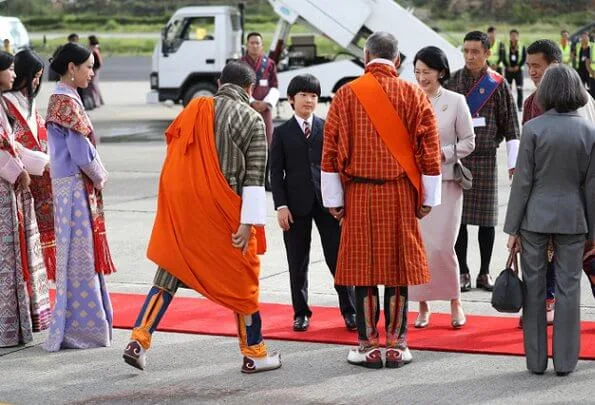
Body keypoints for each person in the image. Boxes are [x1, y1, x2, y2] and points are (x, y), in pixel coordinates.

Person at [122, 61, 281, 374]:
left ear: (220, 82)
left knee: (169, 273)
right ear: (249, 89)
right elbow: (254, 180)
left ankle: (138, 340)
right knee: (242, 280)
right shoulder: (252, 118)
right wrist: (247, 224)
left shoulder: (195, 107)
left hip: (184, 206)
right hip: (224, 211)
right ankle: (254, 352)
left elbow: (174, 153)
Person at [321, 31, 442, 369]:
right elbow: (429, 149)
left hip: (358, 192)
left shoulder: (345, 95)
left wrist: (333, 198)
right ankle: (397, 344)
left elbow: (329, 151)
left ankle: (367, 346)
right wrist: (427, 197)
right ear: (398, 60)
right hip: (400, 192)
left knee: (363, 269)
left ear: (365, 56)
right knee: (397, 269)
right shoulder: (413, 94)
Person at [504, 64, 595, 377]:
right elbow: (592, 186)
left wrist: (512, 228)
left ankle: (536, 360)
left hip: (535, 219)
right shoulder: (590, 132)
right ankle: (566, 362)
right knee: (570, 289)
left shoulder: (533, 128)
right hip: (574, 219)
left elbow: (523, 183)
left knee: (534, 288)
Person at [43, 43, 116, 352]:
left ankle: (80, 325)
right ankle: (83, 330)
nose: (91, 72)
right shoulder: (66, 102)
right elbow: (79, 152)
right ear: (71, 68)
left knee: (75, 257)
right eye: (87, 66)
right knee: (81, 258)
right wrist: (101, 175)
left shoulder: (62, 98)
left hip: (66, 189)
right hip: (75, 188)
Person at [270, 74, 356, 332]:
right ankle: (301, 313)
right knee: (297, 262)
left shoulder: (328, 126)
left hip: (327, 204)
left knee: (338, 259)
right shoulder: (282, 132)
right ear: (291, 100)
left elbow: (339, 165)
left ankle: (350, 310)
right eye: (303, 95)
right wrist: (281, 206)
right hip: (295, 207)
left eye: (314, 96)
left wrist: (340, 202)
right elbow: (275, 173)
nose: (309, 100)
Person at [521, 39, 595, 328]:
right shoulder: (530, 103)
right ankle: (546, 303)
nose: (532, 72)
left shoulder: (583, 102)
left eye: (537, 66)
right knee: (543, 255)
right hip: (542, 193)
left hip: (578, 195)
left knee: (588, 258)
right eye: (529, 67)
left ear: (554, 65)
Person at [446, 31, 520, 293]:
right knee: (460, 220)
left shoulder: (497, 84)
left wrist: (514, 165)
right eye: (466, 51)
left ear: (487, 53)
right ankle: (463, 271)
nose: (470, 56)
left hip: (487, 159)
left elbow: (512, 125)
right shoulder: (452, 81)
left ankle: (484, 272)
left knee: (487, 221)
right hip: (458, 159)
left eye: (475, 51)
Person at [409, 46, 475, 329]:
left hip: (447, 182)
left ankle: (454, 301)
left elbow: (469, 141)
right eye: (417, 72)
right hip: (415, 184)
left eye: (427, 72)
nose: (422, 78)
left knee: (443, 247)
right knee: (420, 247)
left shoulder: (456, 101)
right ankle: (422, 306)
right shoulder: (408, 98)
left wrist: (443, 153)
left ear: (441, 72)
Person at [0, 51, 51, 347]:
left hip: (11, 190)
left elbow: (13, 145)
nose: (14, 74)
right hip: (6, 187)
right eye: (9, 69)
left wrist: (39, 162)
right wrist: (19, 172)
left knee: (14, 256)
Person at [4, 49, 57, 282]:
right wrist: (41, 162)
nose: (35, 82)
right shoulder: (6, 102)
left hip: (39, 174)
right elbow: (11, 144)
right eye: (33, 76)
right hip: (19, 176)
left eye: (39, 77)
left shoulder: (30, 103)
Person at [241, 32, 279, 190]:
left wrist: (266, 103)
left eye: (257, 43)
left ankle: (266, 179)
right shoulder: (240, 64)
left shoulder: (269, 63)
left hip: (265, 109)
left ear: (262, 46)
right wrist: (252, 102)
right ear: (247, 45)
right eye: (252, 43)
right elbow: (237, 86)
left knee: (268, 141)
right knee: (246, 142)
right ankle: (246, 178)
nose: (255, 45)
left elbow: (274, 86)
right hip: (246, 108)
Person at [503, 29, 526, 111]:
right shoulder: (506, 46)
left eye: (515, 35)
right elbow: (503, 57)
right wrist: (507, 66)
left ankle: (520, 106)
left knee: (519, 89)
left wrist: (518, 66)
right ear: (509, 36)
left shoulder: (521, 45)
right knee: (508, 90)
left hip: (518, 71)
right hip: (508, 71)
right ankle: (508, 106)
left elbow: (524, 57)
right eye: (512, 35)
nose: (513, 37)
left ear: (518, 36)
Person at [575, 32, 595, 98]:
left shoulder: (591, 46)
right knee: (580, 87)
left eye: (586, 38)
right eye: (583, 38)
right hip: (581, 69)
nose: (584, 39)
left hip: (588, 71)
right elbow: (575, 55)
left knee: (590, 88)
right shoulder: (578, 46)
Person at [86, 35, 104, 108]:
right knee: (94, 84)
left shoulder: (94, 49)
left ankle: (96, 101)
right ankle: (99, 100)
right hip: (96, 68)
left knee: (93, 84)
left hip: (94, 68)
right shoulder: (97, 47)